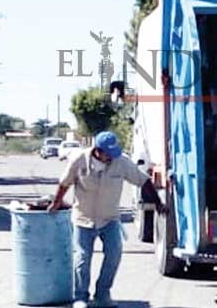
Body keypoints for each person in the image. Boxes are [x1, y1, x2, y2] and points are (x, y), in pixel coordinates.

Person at [48, 131, 164, 308]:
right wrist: (56, 203)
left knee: (114, 255)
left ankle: (102, 295)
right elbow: (64, 183)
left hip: (109, 219)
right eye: (107, 153)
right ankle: (81, 297)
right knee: (82, 258)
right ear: (97, 150)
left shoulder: (121, 162)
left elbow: (144, 181)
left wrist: (158, 203)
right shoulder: (79, 159)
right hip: (83, 218)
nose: (111, 157)